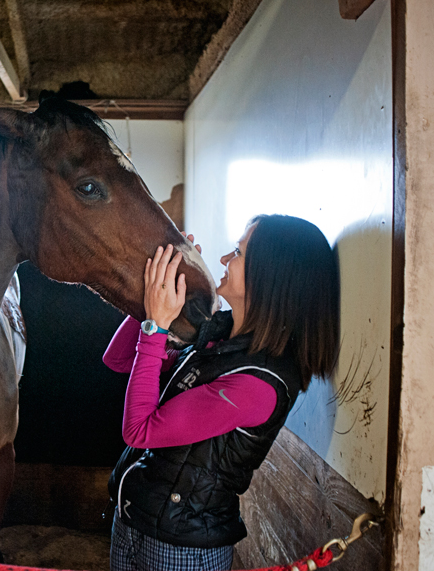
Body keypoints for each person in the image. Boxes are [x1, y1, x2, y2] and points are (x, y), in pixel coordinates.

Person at [103, 214, 340, 571]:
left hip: (180, 552)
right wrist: (150, 296)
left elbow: (140, 429)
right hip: (135, 523)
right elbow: (119, 359)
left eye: (237, 252)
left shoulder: (257, 385)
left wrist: (157, 322)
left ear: (269, 277)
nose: (224, 260)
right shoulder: (218, 333)